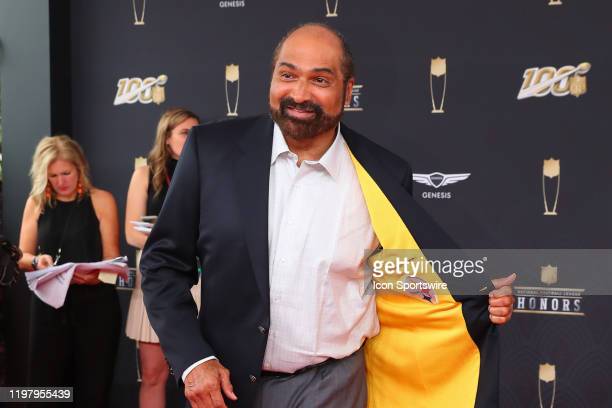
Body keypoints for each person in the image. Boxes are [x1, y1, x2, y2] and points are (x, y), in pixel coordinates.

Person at [140, 23, 515, 408]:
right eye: (287, 75)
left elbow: (398, 275)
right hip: (227, 386)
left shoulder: (385, 174)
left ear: (348, 91)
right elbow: (162, 263)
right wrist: (194, 361)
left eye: (320, 79)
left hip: (335, 388)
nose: (299, 94)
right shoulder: (211, 151)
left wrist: (477, 294)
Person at [18, 135, 121, 407]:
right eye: (53, 175)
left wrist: (95, 276)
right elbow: (21, 257)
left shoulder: (101, 200)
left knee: (92, 390)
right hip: (49, 310)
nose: (61, 181)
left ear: (80, 167)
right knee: (45, 391)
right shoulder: (36, 202)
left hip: (95, 309)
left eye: (67, 173)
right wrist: (38, 261)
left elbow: (113, 261)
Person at [124, 108, 201, 408]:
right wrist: (175, 245)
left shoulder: (207, 173)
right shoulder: (144, 174)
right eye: (185, 132)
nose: (192, 138)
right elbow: (132, 234)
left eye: (196, 133)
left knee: (200, 375)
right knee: (153, 375)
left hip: (198, 281)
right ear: (166, 138)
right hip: (154, 279)